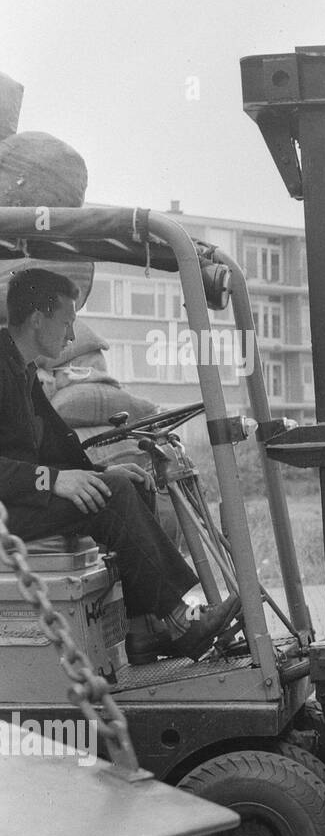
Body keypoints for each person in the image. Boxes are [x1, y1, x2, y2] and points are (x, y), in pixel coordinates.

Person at [0, 268, 237, 661]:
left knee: (131, 483)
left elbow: (55, 450)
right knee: (116, 495)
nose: (72, 336)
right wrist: (49, 480)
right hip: (9, 510)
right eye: (67, 322)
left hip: (20, 500)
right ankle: (180, 620)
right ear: (38, 318)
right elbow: (42, 468)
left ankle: (146, 630)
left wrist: (97, 474)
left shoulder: (22, 370)